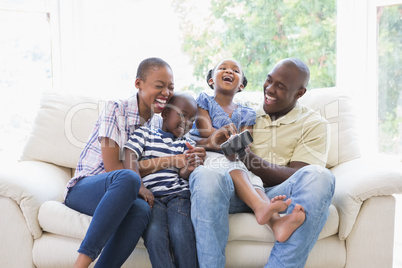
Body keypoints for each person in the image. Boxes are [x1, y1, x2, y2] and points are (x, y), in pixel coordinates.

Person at [189, 58, 336, 268]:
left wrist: (245, 157)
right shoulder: (248, 112)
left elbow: (298, 175)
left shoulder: (314, 124)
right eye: (269, 81)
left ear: (300, 93)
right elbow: (206, 138)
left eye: (280, 86)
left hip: (277, 194)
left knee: (321, 177)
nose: (270, 89)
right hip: (231, 191)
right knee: (206, 174)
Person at [63, 57, 204, 268]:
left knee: (141, 209)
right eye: (159, 86)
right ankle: (80, 264)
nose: (166, 92)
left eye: (170, 87)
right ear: (138, 84)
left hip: (127, 194)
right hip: (88, 189)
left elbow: (185, 143)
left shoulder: (159, 123)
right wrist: (170, 161)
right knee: (128, 178)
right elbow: (116, 170)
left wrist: (201, 151)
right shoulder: (115, 110)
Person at [188, 58, 303, 241]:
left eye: (236, 70)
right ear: (211, 80)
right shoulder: (204, 101)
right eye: (223, 68)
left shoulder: (247, 113)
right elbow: (204, 130)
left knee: (254, 179)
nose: (229, 71)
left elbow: (245, 142)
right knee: (234, 168)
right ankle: (262, 209)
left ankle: (276, 223)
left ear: (241, 85)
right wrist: (222, 136)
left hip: (233, 159)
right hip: (207, 152)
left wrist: (237, 146)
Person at [122, 93, 202, 268]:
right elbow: (129, 156)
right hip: (151, 198)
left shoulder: (186, 143)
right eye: (182, 115)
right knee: (155, 236)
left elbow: (183, 174)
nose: (186, 122)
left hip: (178, 196)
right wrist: (140, 187)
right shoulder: (145, 133)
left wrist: (188, 169)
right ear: (164, 113)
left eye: (192, 119)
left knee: (181, 233)